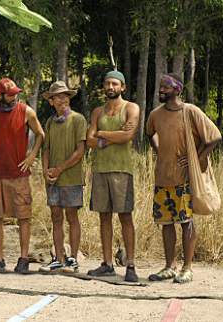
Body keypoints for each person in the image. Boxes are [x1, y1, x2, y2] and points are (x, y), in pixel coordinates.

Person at [146, 73, 221, 283]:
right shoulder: (155, 114)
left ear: (177, 90)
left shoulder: (190, 111)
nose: (160, 90)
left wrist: (195, 160)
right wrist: (159, 151)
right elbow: (149, 133)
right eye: (160, 87)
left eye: (165, 87)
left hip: (184, 180)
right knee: (166, 223)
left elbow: (214, 137)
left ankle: (187, 268)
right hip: (162, 178)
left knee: (186, 222)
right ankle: (169, 267)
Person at [0, 78, 44, 272]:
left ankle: (23, 258)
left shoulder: (26, 111)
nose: (14, 96)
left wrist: (31, 156)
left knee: (23, 217)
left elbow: (40, 134)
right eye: (10, 94)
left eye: (16, 93)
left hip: (19, 173)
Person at [86, 71, 140, 282]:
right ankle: (107, 264)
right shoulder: (98, 111)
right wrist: (111, 137)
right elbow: (88, 140)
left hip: (121, 170)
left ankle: (131, 265)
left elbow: (128, 135)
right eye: (107, 83)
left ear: (123, 87)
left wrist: (101, 134)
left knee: (125, 216)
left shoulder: (131, 108)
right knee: (104, 217)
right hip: (100, 169)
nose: (110, 86)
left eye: (115, 84)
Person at [39, 81, 87, 273]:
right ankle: (59, 258)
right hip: (53, 179)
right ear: (51, 101)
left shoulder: (78, 119)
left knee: (72, 217)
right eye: (59, 96)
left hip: (72, 178)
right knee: (56, 217)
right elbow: (46, 149)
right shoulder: (50, 122)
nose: (63, 100)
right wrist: (46, 171)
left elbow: (80, 151)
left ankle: (73, 259)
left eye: (66, 96)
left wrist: (59, 169)